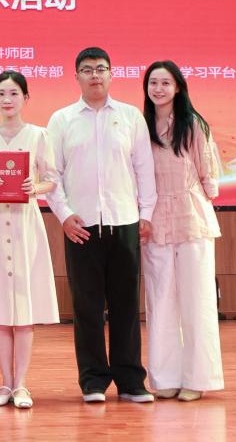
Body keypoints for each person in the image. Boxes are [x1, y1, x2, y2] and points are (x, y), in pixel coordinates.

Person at [46, 47, 157, 404]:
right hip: (81, 227)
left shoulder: (130, 116)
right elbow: (52, 174)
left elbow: (144, 168)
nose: (94, 75)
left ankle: (131, 381)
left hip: (124, 222)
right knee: (87, 308)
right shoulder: (62, 120)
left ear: (111, 74)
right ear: (76, 76)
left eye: (100, 69)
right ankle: (93, 380)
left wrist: (146, 213)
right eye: (87, 69)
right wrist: (64, 215)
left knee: (126, 307)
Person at [0, 71, 60, 410]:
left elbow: (51, 179)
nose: (7, 100)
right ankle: (5, 382)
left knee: (23, 307)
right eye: (1, 94)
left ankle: (21, 384)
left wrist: (36, 187)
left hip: (25, 224)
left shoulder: (39, 135)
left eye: (14, 93)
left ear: (25, 98)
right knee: (0, 309)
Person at [141, 60, 224, 402]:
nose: (158, 89)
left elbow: (209, 178)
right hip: (155, 223)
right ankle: (165, 378)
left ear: (178, 87)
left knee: (196, 300)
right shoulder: (141, 126)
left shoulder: (193, 124)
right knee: (160, 301)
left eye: (165, 83)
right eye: (153, 83)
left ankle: (197, 378)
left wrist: (203, 193)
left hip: (192, 220)